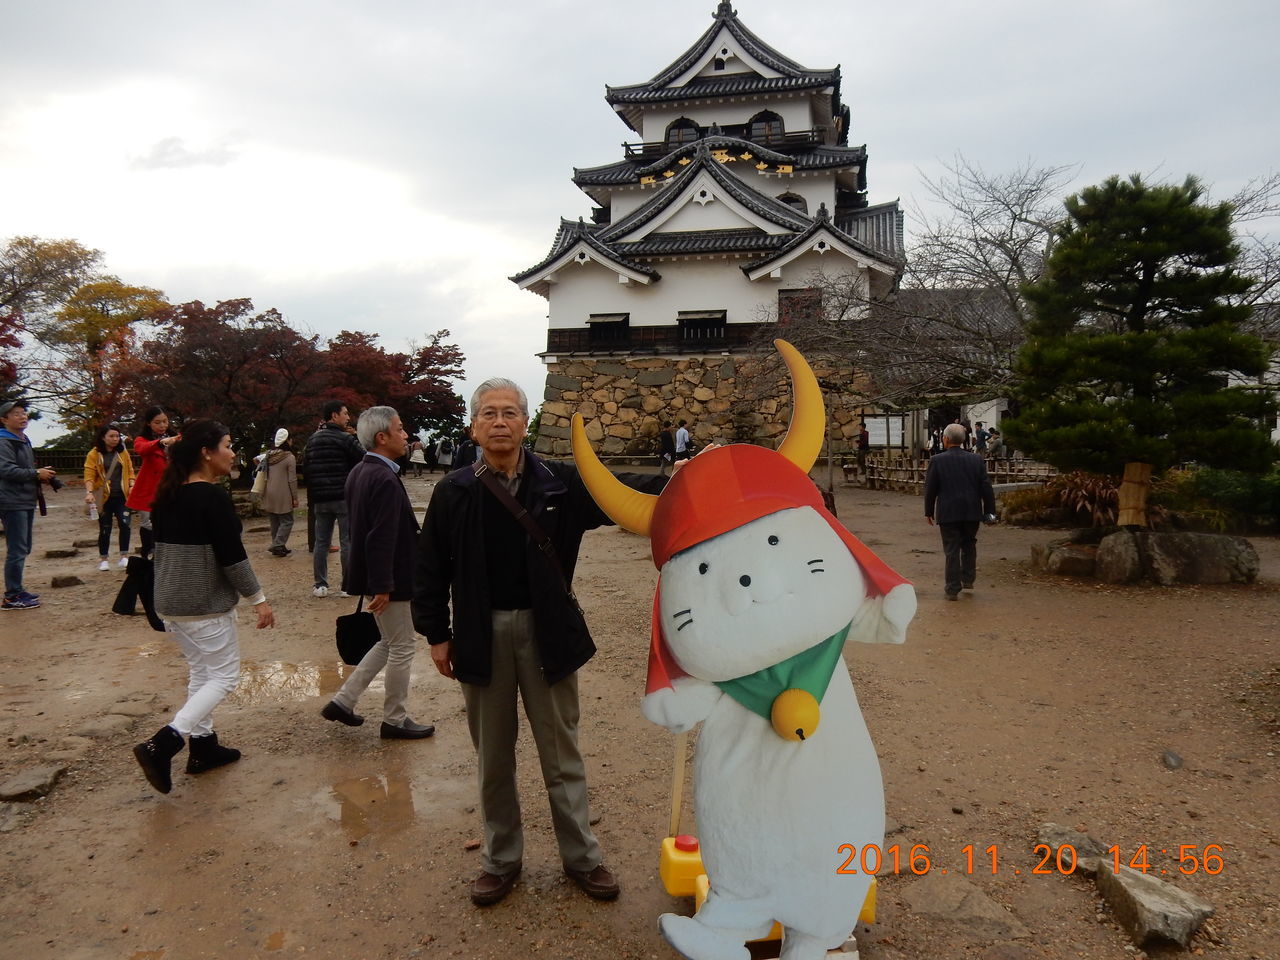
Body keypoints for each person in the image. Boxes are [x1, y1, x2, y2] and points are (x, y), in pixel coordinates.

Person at [413, 377, 667, 906]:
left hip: (547, 631)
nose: (500, 421)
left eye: (510, 412)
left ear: (526, 424)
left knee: (562, 753)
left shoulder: (561, 483)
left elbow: (623, 488)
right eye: (489, 413)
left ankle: (583, 857)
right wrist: (438, 634)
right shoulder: (454, 490)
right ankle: (500, 860)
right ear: (474, 426)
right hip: (481, 635)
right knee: (493, 758)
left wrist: (679, 478)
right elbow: (430, 567)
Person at [130, 419, 276, 794]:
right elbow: (233, 558)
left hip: (170, 604)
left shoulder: (167, 495)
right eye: (227, 445)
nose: (232, 452)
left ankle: (203, 747)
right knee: (225, 677)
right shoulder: (211, 497)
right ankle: (163, 744)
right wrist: (259, 600)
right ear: (206, 453)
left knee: (201, 673)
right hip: (202, 606)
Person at [320, 406, 435, 740]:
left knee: (389, 642)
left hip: (379, 575)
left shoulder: (361, 470)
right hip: (391, 577)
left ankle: (343, 701)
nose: (405, 435)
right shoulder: (383, 477)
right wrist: (383, 584)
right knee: (402, 646)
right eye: (399, 429)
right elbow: (380, 536)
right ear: (382, 437)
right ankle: (395, 719)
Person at [923, 423, 996, 601]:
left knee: (951, 549)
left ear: (945, 439)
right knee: (969, 544)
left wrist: (928, 511)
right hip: (972, 510)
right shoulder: (976, 460)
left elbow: (930, 488)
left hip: (948, 511)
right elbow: (986, 488)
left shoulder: (937, 460)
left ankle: (952, 588)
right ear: (964, 440)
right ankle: (968, 580)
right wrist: (990, 512)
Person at [0, 400, 59, 610]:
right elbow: (6, 470)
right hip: (11, 500)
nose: (22, 416)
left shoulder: (23, 440)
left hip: (25, 499)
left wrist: (41, 475)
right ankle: (11, 596)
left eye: (24, 413)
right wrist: (35, 473)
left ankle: (17, 589)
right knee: (17, 549)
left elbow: (21, 470)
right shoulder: (3, 441)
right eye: (15, 414)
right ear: (4, 420)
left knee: (24, 547)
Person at [304, 401, 363, 598]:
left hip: (320, 498)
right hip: (343, 495)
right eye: (345, 413)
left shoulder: (312, 440)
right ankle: (347, 585)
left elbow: (306, 469)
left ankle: (320, 585)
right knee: (346, 540)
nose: (348, 417)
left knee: (321, 542)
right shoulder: (345, 439)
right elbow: (362, 459)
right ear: (334, 415)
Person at [126, 406, 179, 559]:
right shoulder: (142, 440)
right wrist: (160, 443)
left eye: (165, 421)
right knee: (148, 522)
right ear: (149, 423)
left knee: (170, 520)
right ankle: (148, 550)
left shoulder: (176, 437)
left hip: (172, 485)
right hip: (150, 487)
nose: (162, 425)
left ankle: (166, 550)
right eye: (157, 422)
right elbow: (141, 449)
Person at [83, 423, 135, 570]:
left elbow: (130, 470)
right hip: (104, 497)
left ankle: (124, 556)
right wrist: (89, 492)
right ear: (103, 437)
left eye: (117, 436)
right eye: (111, 436)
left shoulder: (123, 453)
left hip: (122, 496)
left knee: (125, 524)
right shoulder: (94, 454)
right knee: (105, 527)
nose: (115, 439)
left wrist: (131, 484)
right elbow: (89, 474)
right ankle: (104, 558)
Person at [260, 429, 298, 557]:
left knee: (274, 521)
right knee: (287, 520)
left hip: (269, 491)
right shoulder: (289, 457)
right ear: (287, 441)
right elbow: (292, 479)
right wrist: (295, 497)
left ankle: (279, 546)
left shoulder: (268, 455)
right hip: (283, 493)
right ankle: (277, 544)